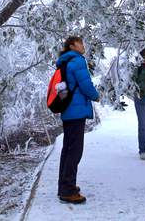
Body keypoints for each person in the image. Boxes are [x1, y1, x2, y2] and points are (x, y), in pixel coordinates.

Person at [54, 36, 100, 204]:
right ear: (72, 45)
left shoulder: (64, 62)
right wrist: (96, 96)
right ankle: (68, 190)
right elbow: (85, 84)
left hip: (68, 109)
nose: (83, 46)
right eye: (81, 43)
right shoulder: (78, 61)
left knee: (68, 150)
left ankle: (64, 185)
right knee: (74, 151)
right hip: (76, 110)